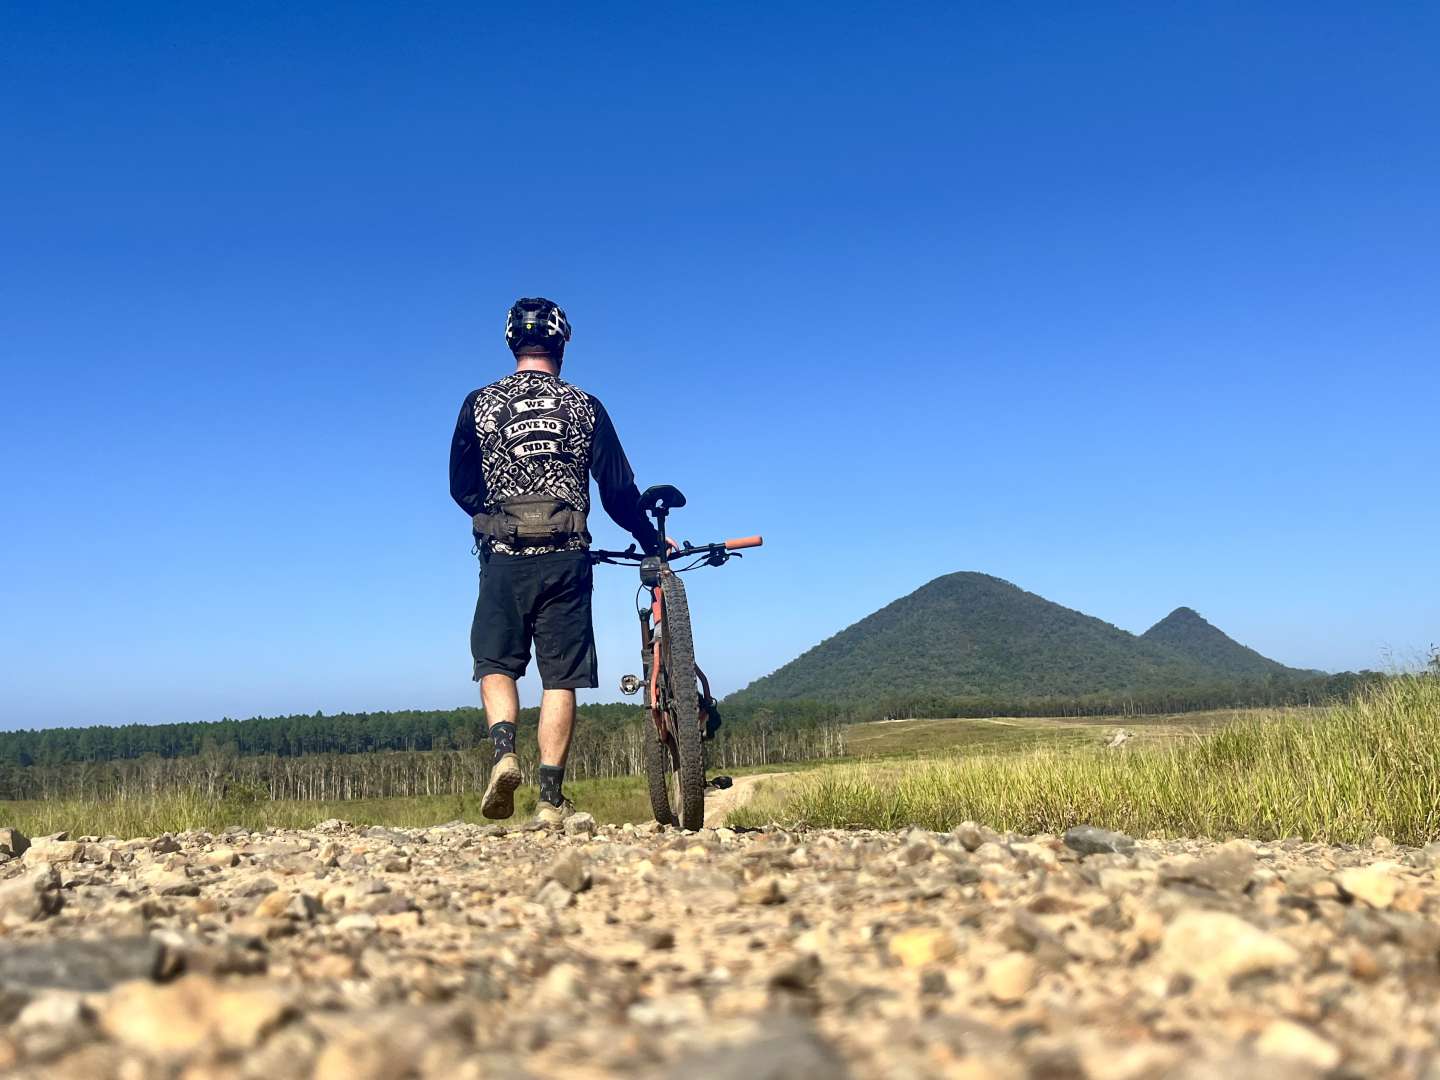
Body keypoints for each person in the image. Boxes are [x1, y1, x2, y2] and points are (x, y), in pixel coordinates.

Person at [449, 297, 661, 825]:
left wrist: (494, 517)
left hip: (504, 557)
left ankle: (504, 754)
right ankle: (549, 798)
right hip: (566, 558)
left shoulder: (479, 403)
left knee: (496, 664)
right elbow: (618, 492)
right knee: (559, 677)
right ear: (561, 344)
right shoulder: (585, 406)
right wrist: (648, 539)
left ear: (511, 342)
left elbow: (461, 488)